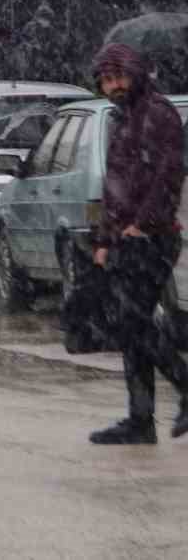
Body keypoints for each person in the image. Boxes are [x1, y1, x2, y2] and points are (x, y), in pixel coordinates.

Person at [87, 43, 188, 444]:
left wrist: (143, 224)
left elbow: (169, 174)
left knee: (134, 323)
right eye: (107, 80)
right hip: (129, 240)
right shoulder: (124, 120)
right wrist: (105, 238)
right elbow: (116, 190)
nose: (114, 86)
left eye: (119, 76)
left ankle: (179, 388)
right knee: (132, 327)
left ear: (135, 73)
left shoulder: (157, 114)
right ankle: (140, 420)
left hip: (154, 239)